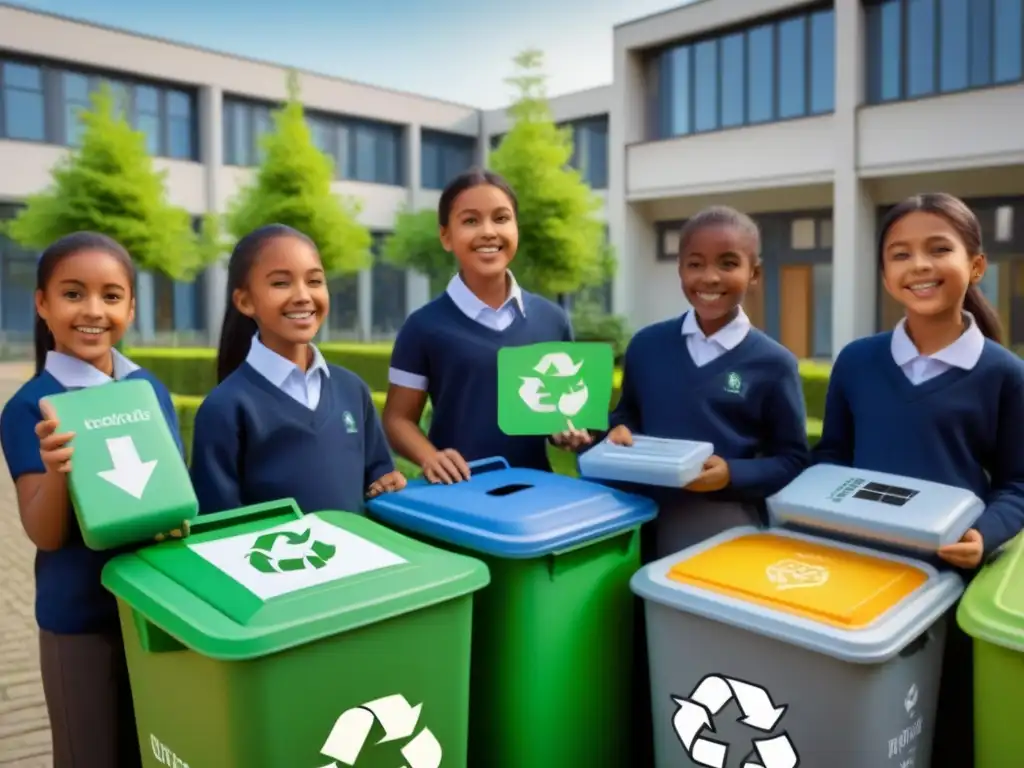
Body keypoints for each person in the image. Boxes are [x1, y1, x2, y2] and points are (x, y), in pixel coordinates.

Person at [812, 193, 1024, 768]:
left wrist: (985, 534)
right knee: (858, 718)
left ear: (976, 266)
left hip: (945, 580)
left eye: (939, 249)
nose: (919, 266)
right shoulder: (857, 361)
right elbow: (831, 456)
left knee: (935, 723)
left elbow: (1018, 483)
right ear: (885, 274)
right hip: (857, 573)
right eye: (900, 254)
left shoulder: (1005, 374)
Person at [0, 232, 184, 768]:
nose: (93, 311)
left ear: (130, 305)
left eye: (111, 295)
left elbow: (175, 496)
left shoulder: (148, 389)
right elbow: (45, 533)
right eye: (73, 294)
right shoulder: (28, 406)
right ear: (42, 304)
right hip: (80, 617)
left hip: (154, 610)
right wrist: (58, 471)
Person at [606, 205, 810, 558]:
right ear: (681, 270)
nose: (710, 277)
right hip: (635, 515)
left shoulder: (774, 364)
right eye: (695, 264)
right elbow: (627, 415)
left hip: (719, 524)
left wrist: (731, 473)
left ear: (754, 273)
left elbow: (792, 460)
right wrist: (620, 431)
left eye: (728, 264)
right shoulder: (646, 345)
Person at [383, 168, 590, 483]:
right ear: (446, 237)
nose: (488, 231)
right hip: (457, 494)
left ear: (517, 228)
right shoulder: (423, 326)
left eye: (501, 218)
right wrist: (430, 457)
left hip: (537, 491)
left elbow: (560, 412)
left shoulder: (553, 320)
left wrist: (565, 432)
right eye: (470, 221)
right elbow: (397, 420)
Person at [189, 224, 406, 515]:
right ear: (245, 301)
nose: (303, 295)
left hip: (362, 559)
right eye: (281, 283)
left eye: (315, 281)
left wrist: (389, 483)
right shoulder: (225, 408)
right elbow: (218, 526)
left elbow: (379, 477)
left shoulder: (352, 389)